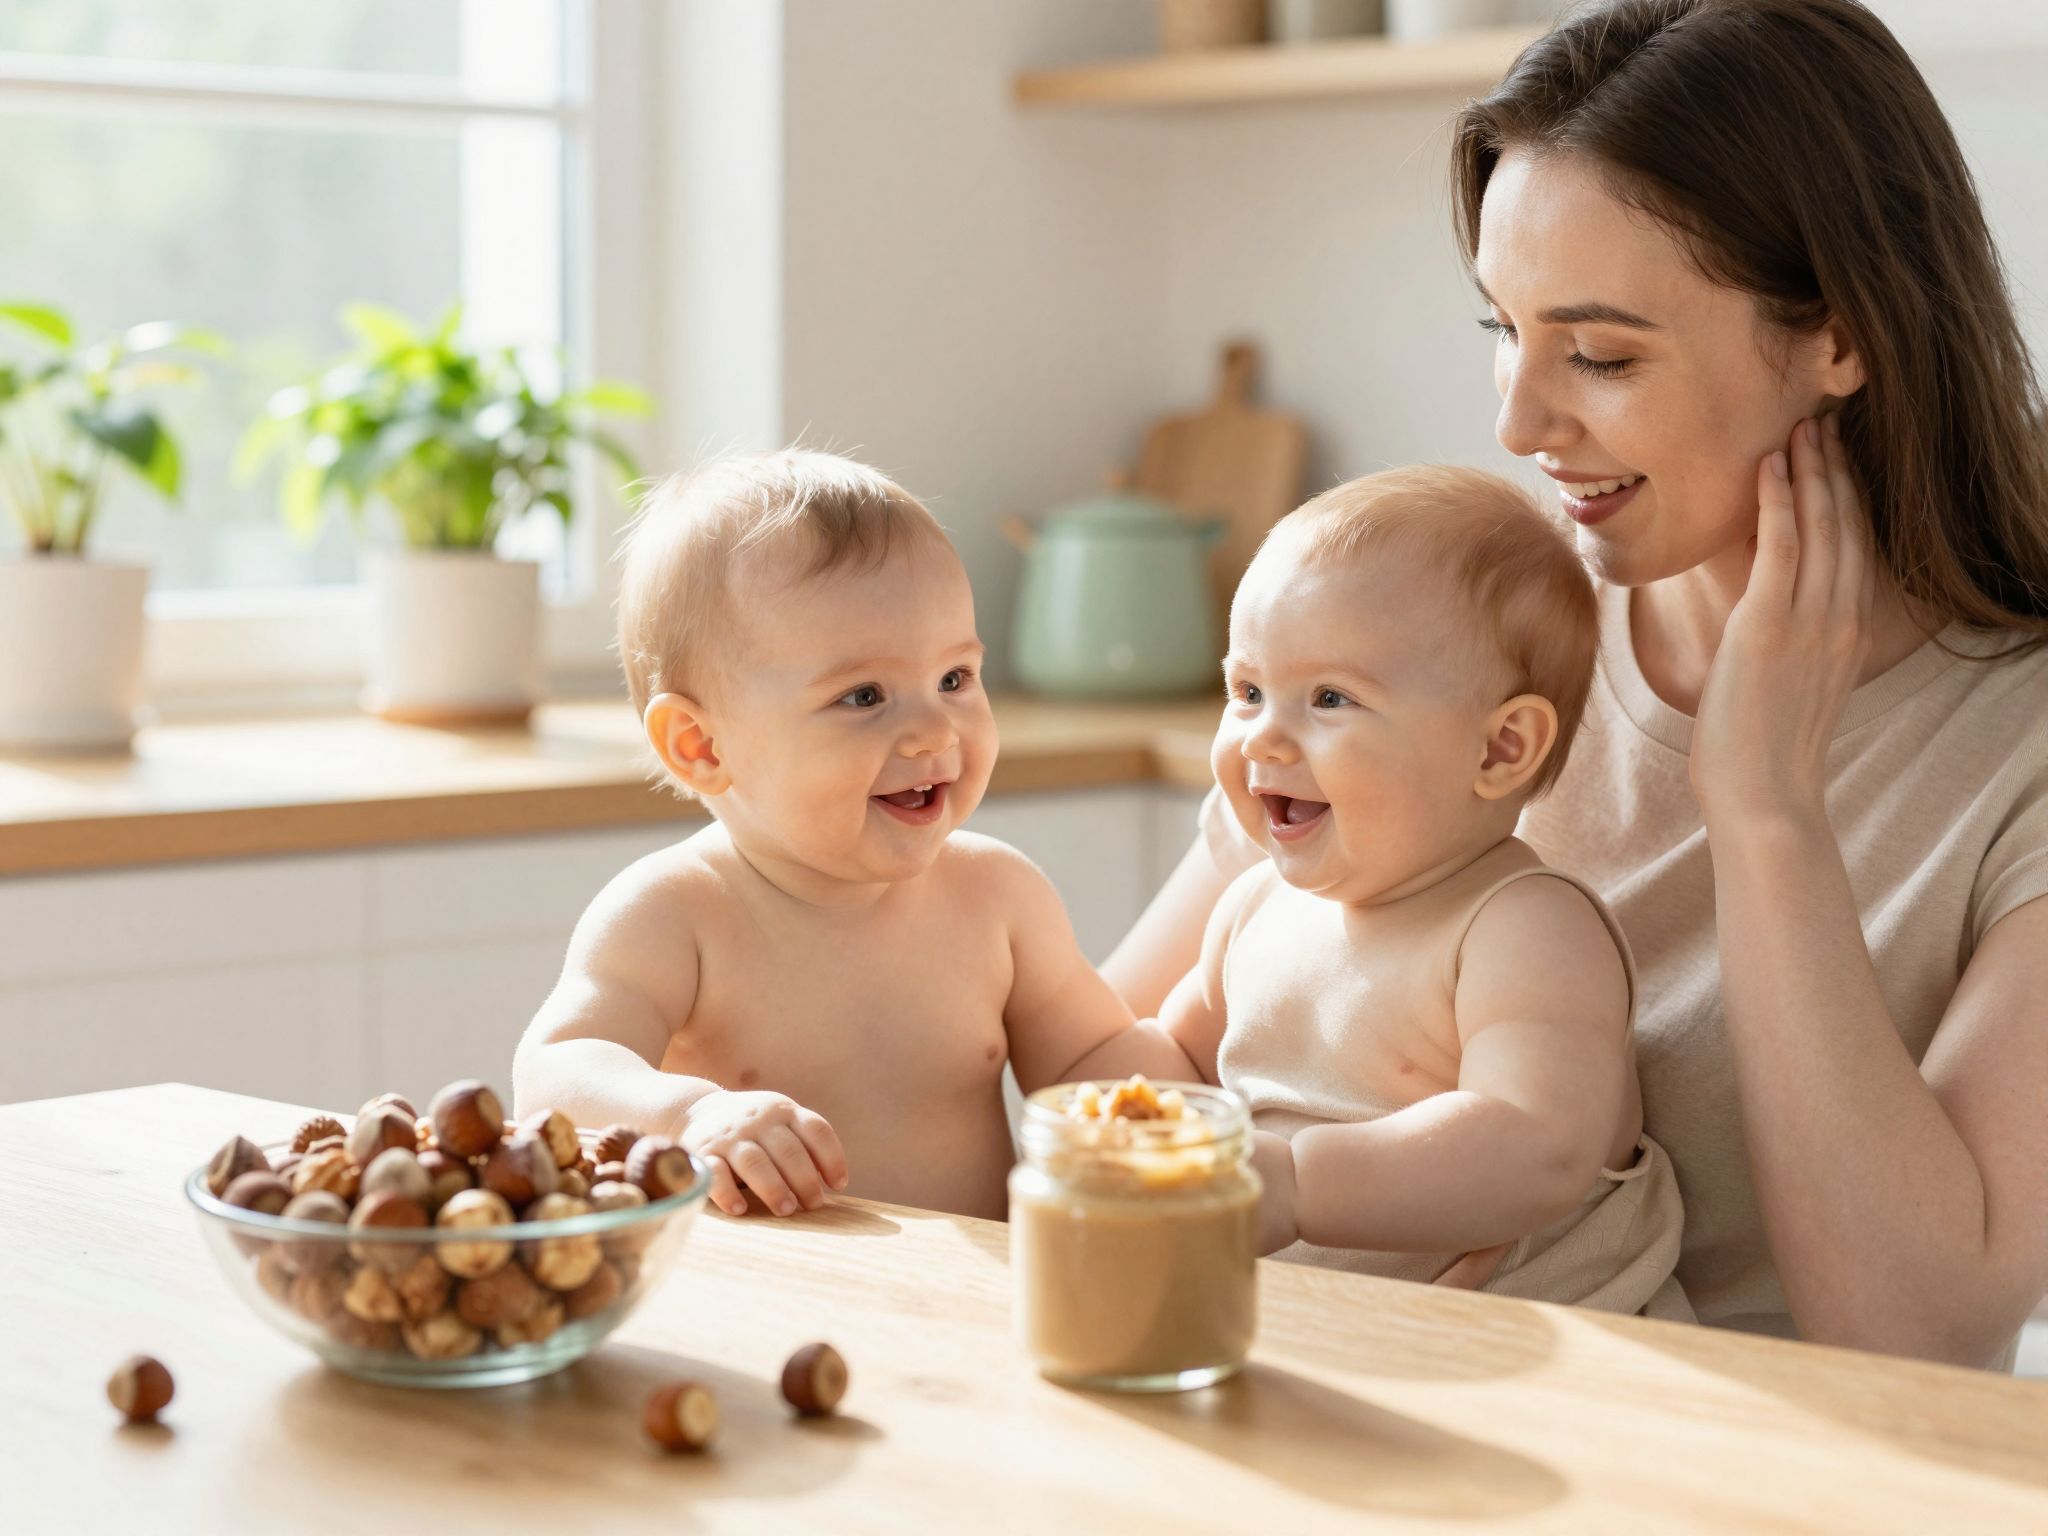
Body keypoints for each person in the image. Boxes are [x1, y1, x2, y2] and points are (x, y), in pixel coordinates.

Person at [1107, 0, 2048, 1368]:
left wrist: (1766, 810)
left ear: (1839, 338)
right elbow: (1117, 1061)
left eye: (1600, 355)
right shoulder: (1462, 624)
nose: (1517, 422)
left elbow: (1915, 1330)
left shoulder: (2017, 748)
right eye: (1506, 327)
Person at [515, 450, 1185, 1221]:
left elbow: (1096, 1066)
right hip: (764, 1320)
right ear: (701, 746)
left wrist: (1219, 1013)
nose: (935, 729)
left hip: (972, 1314)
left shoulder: (1000, 898)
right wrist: (691, 1114)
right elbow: (554, 1071)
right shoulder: (675, 915)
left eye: (955, 679)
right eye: (864, 696)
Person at [1154, 465, 1688, 1316]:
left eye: (1329, 698)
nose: (1261, 739)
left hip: (1541, 1361)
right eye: (1247, 691)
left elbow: (1537, 1143)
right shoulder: (1254, 910)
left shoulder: (1523, 930)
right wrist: (1035, 1026)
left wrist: (1295, 1184)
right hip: (1325, 1344)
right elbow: (1172, 1066)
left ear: (1500, 750)